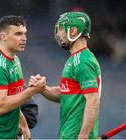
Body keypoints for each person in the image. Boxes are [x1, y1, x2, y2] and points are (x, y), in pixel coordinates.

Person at [29, 11, 101, 139]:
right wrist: (43, 89)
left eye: (61, 28)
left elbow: (93, 100)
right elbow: (65, 93)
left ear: (73, 31)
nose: (58, 33)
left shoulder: (83, 61)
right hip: (67, 135)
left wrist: (83, 136)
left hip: (76, 136)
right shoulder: (74, 59)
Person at [0, 16, 45, 139]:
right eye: (18, 34)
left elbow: (12, 98)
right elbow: (1, 107)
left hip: (5, 135)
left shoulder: (15, 60)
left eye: (24, 34)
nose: (24, 38)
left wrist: (23, 124)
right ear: (3, 36)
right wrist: (33, 91)